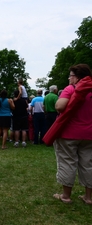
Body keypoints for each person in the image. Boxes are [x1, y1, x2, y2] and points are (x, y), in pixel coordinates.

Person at [52, 64, 92, 204]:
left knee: (68, 162)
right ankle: (88, 197)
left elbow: (59, 106)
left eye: (70, 76)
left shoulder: (71, 89)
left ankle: (66, 196)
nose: (69, 78)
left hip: (69, 133)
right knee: (88, 164)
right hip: (89, 134)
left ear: (77, 77)